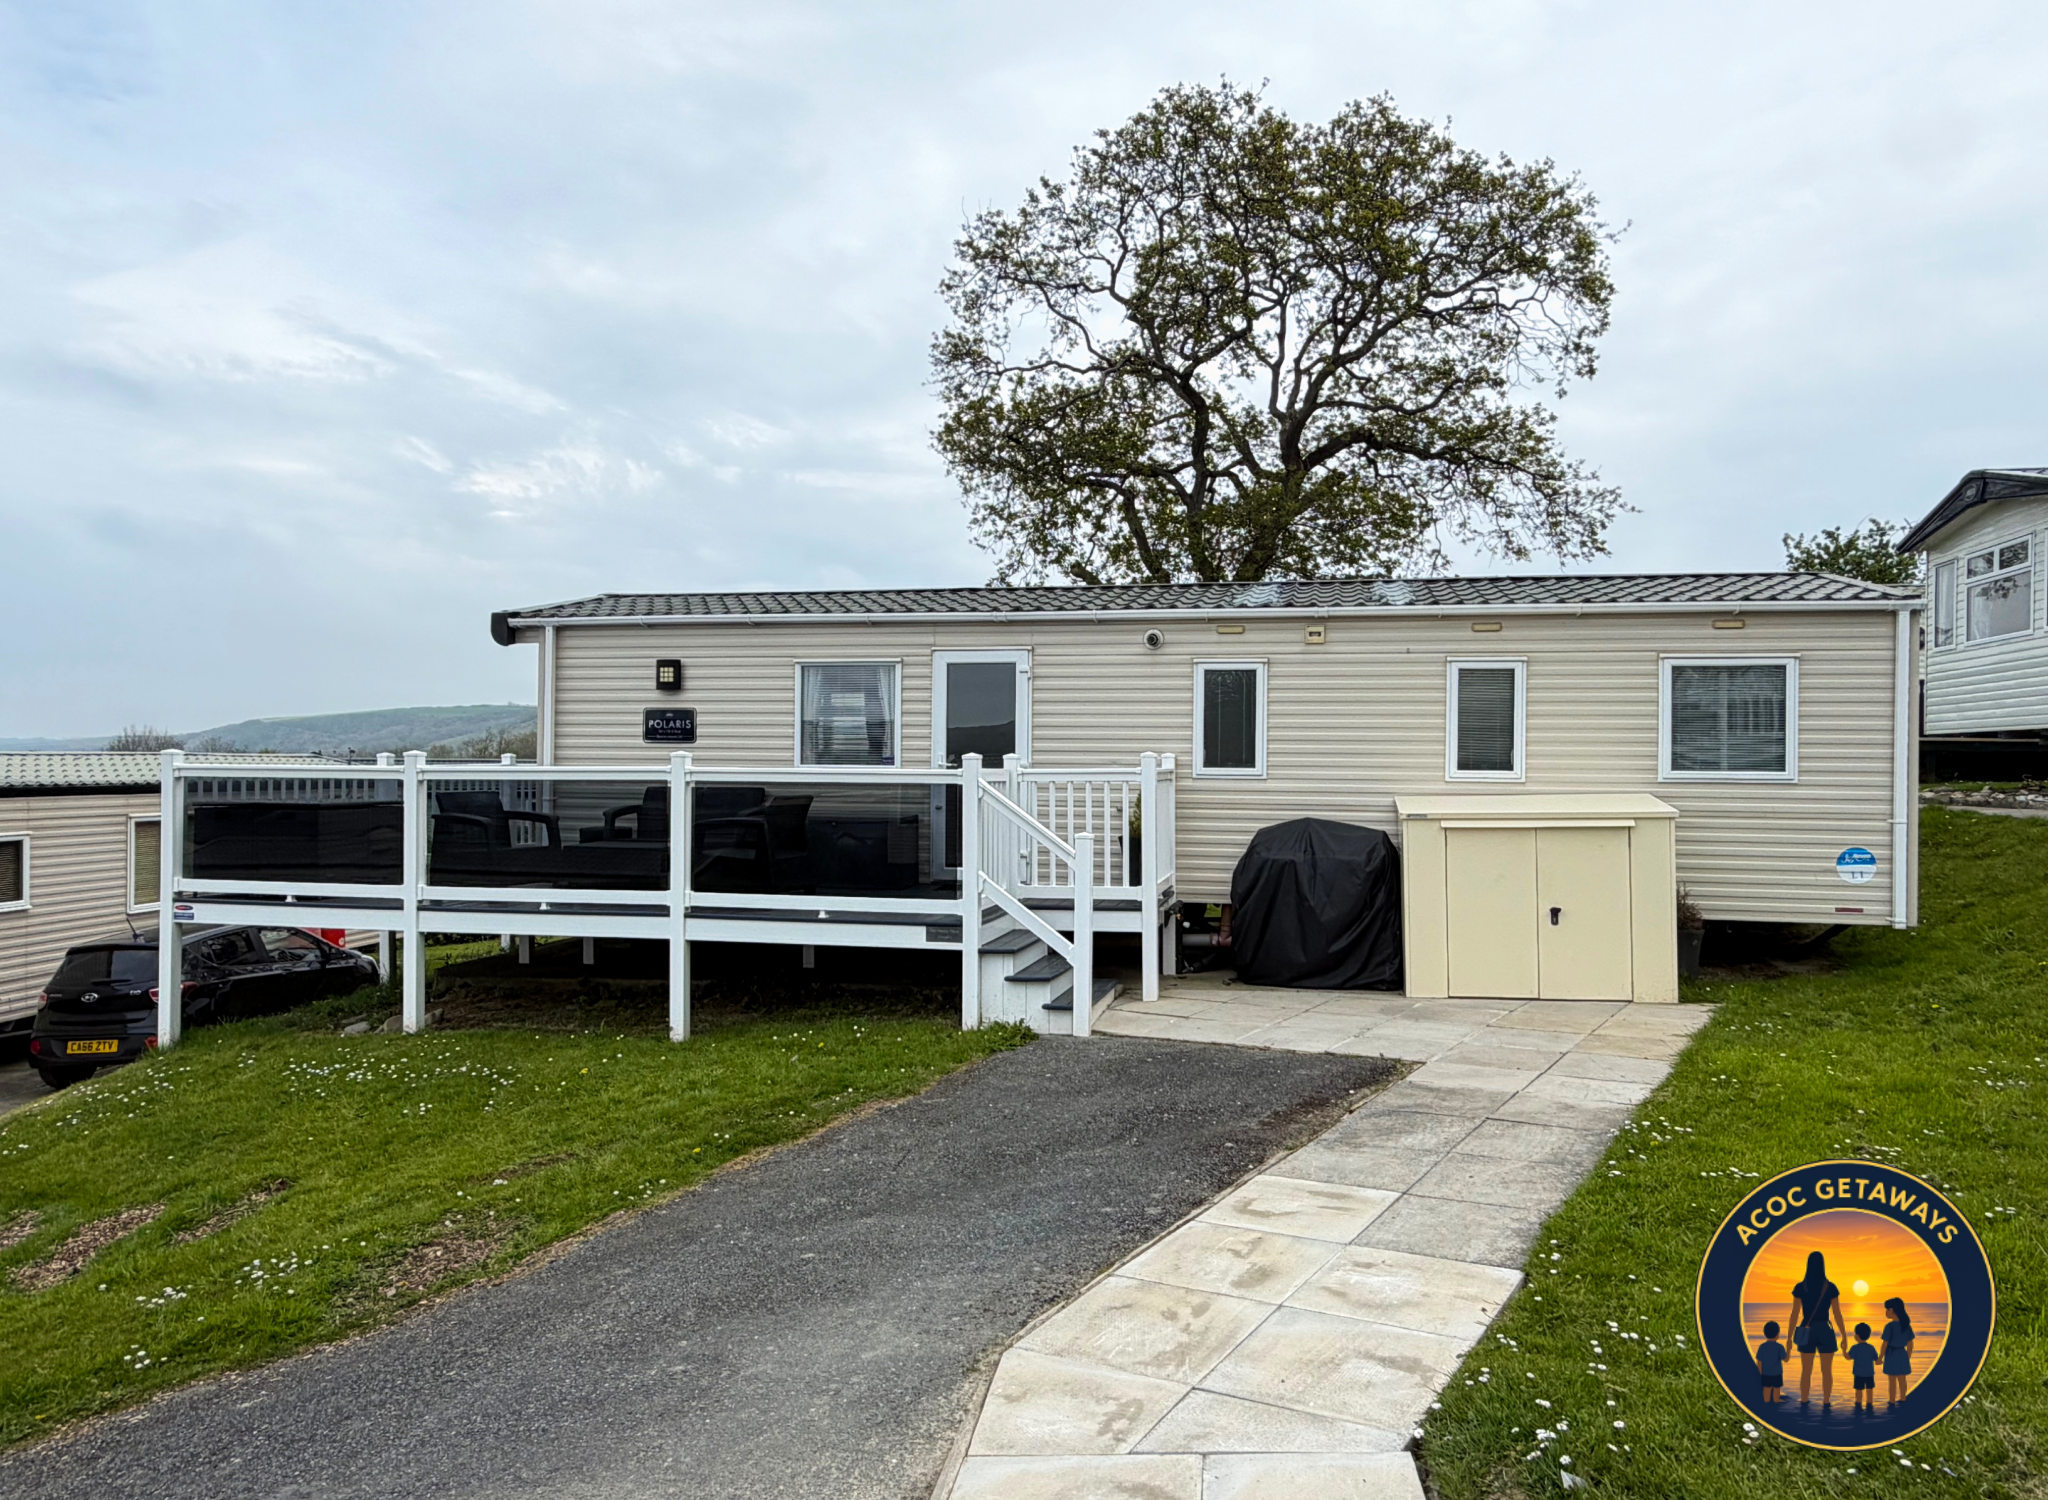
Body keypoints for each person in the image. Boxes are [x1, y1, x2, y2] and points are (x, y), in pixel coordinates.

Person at [1786, 1250, 1848, 1405]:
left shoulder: (1801, 1287)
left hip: (1807, 1329)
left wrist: (1788, 1337)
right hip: (1825, 1330)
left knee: (1806, 1370)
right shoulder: (1830, 1287)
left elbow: (1794, 1314)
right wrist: (1844, 1335)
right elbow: (1837, 1314)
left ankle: (1805, 1400)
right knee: (1827, 1371)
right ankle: (1826, 1401)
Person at [1881, 1296, 1915, 1405]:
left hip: (1892, 1354)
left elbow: (1885, 1343)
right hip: (1902, 1354)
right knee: (1902, 1378)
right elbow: (1910, 1343)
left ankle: (1891, 1401)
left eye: (1887, 1309)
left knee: (1892, 1380)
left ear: (1892, 1310)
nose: (1886, 1312)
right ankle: (1903, 1398)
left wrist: (1880, 1357)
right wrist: (1908, 1356)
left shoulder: (1889, 1326)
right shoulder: (1906, 1326)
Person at [1756, 1320, 1788, 1403]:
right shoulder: (1779, 1347)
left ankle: (1766, 1400)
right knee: (1777, 1388)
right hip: (1777, 1373)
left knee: (1766, 1388)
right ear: (1778, 1334)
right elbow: (1785, 1359)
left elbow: (1759, 1361)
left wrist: (1760, 1372)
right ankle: (1776, 1399)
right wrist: (1788, 1349)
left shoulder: (1762, 1347)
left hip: (1765, 1373)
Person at [1848, 1323, 1878, 1409]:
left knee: (1859, 1390)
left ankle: (1858, 1404)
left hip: (1858, 1373)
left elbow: (1848, 1357)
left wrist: (1843, 1350)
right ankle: (1869, 1404)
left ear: (1857, 1336)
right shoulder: (1871, 1347)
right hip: (1869, 1373)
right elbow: (1876, 1358)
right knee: (1869, 1389)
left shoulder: (1855, 1347)